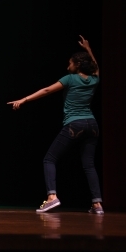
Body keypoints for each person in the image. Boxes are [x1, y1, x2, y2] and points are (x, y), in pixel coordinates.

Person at [7, 35, 103, 214]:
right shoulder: (94, 79)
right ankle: (97, 204)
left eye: (71, 63)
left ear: (78, 65)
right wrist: (89, 49)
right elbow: (96, 66)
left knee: (49, 159)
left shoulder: (70, 79)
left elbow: (46, 90)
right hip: (93, 125)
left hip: (75, 124)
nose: (68, 66)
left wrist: (24, 99)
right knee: (89, 164)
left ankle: (52, 197)